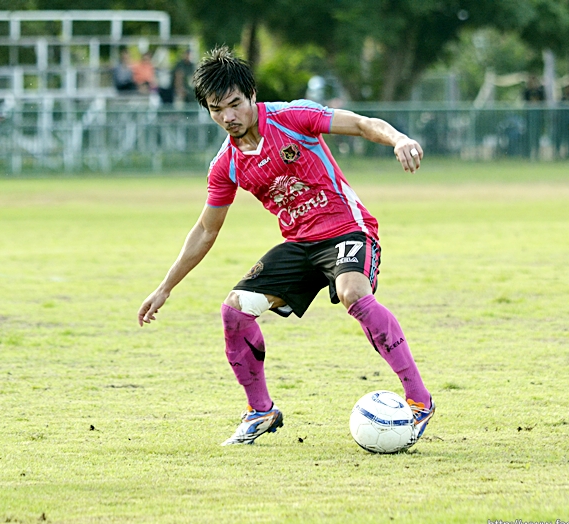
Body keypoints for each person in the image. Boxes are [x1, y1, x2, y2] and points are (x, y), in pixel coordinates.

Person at [137, 46, 435, 447]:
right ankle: (260, 410)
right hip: (300, 244)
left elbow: (363, 124)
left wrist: (398, 139)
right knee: (235, 311)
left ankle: (419, 401)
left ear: (251, 95)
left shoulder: (293, 117)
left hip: (348, 229)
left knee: (353, 293)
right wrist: (165, 287)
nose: (228, 117)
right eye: (216, 109)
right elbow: (206, 230)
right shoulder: (226, 164)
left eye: (235, 104)